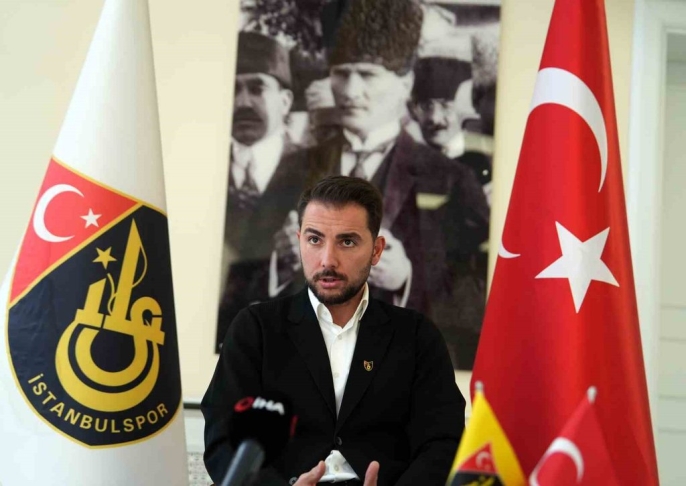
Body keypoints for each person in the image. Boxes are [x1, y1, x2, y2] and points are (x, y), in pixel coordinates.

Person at [202, 176, 465, 486]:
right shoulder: (256, 328)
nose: (328, 260)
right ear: (299, 240)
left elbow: (443, 442)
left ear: (376, 250)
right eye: (314, 240)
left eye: (347, 241)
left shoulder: (417, 336)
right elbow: (223, 439)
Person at [271, 0, 455, 316]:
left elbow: (473, 296)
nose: (350, 91)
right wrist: (279, 263)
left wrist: (406, 280)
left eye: (368, 75)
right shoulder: (293, 169)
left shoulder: (448, 178)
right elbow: (238, 287)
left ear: (405, 84)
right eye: (341, 74)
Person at [216, 31, 313, 350]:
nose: (242, 102)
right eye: (233, 89)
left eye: (257, 88)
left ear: (285, 102)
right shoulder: (203, 164)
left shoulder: (315, 171)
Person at [409, 56, 492, 368]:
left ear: (462, 108)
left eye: (445, 106)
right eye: (425, 106)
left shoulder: (491, 158)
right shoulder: (406, 164)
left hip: (470, 313)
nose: (435, 118)